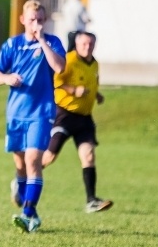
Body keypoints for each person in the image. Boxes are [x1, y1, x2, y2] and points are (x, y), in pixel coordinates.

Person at [0, 0, 65, 233]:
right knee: (21, 164)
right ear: (23, 20)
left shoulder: (52, 42)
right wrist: (6, 78)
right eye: (32, 20)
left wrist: (41, 40)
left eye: (40, 20)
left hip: (41, 113)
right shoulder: (12, 45)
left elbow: (60, 67)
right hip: (16, 112)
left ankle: (28, 214)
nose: (36, 24)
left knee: (33, 160)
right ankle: (25, 199)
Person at [41, 31, 113, 213]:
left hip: (84, 117)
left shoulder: (94, 63)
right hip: (65, 115)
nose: (87, 47)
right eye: (84, 44)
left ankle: (91, 201)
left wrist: (96, 94)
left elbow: (91, 83)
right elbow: (56, 82)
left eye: (90, 44)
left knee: (88, 155)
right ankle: (24, 177)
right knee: (50, 156)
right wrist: (73, 90)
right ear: (77, 44)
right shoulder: (69, 60)